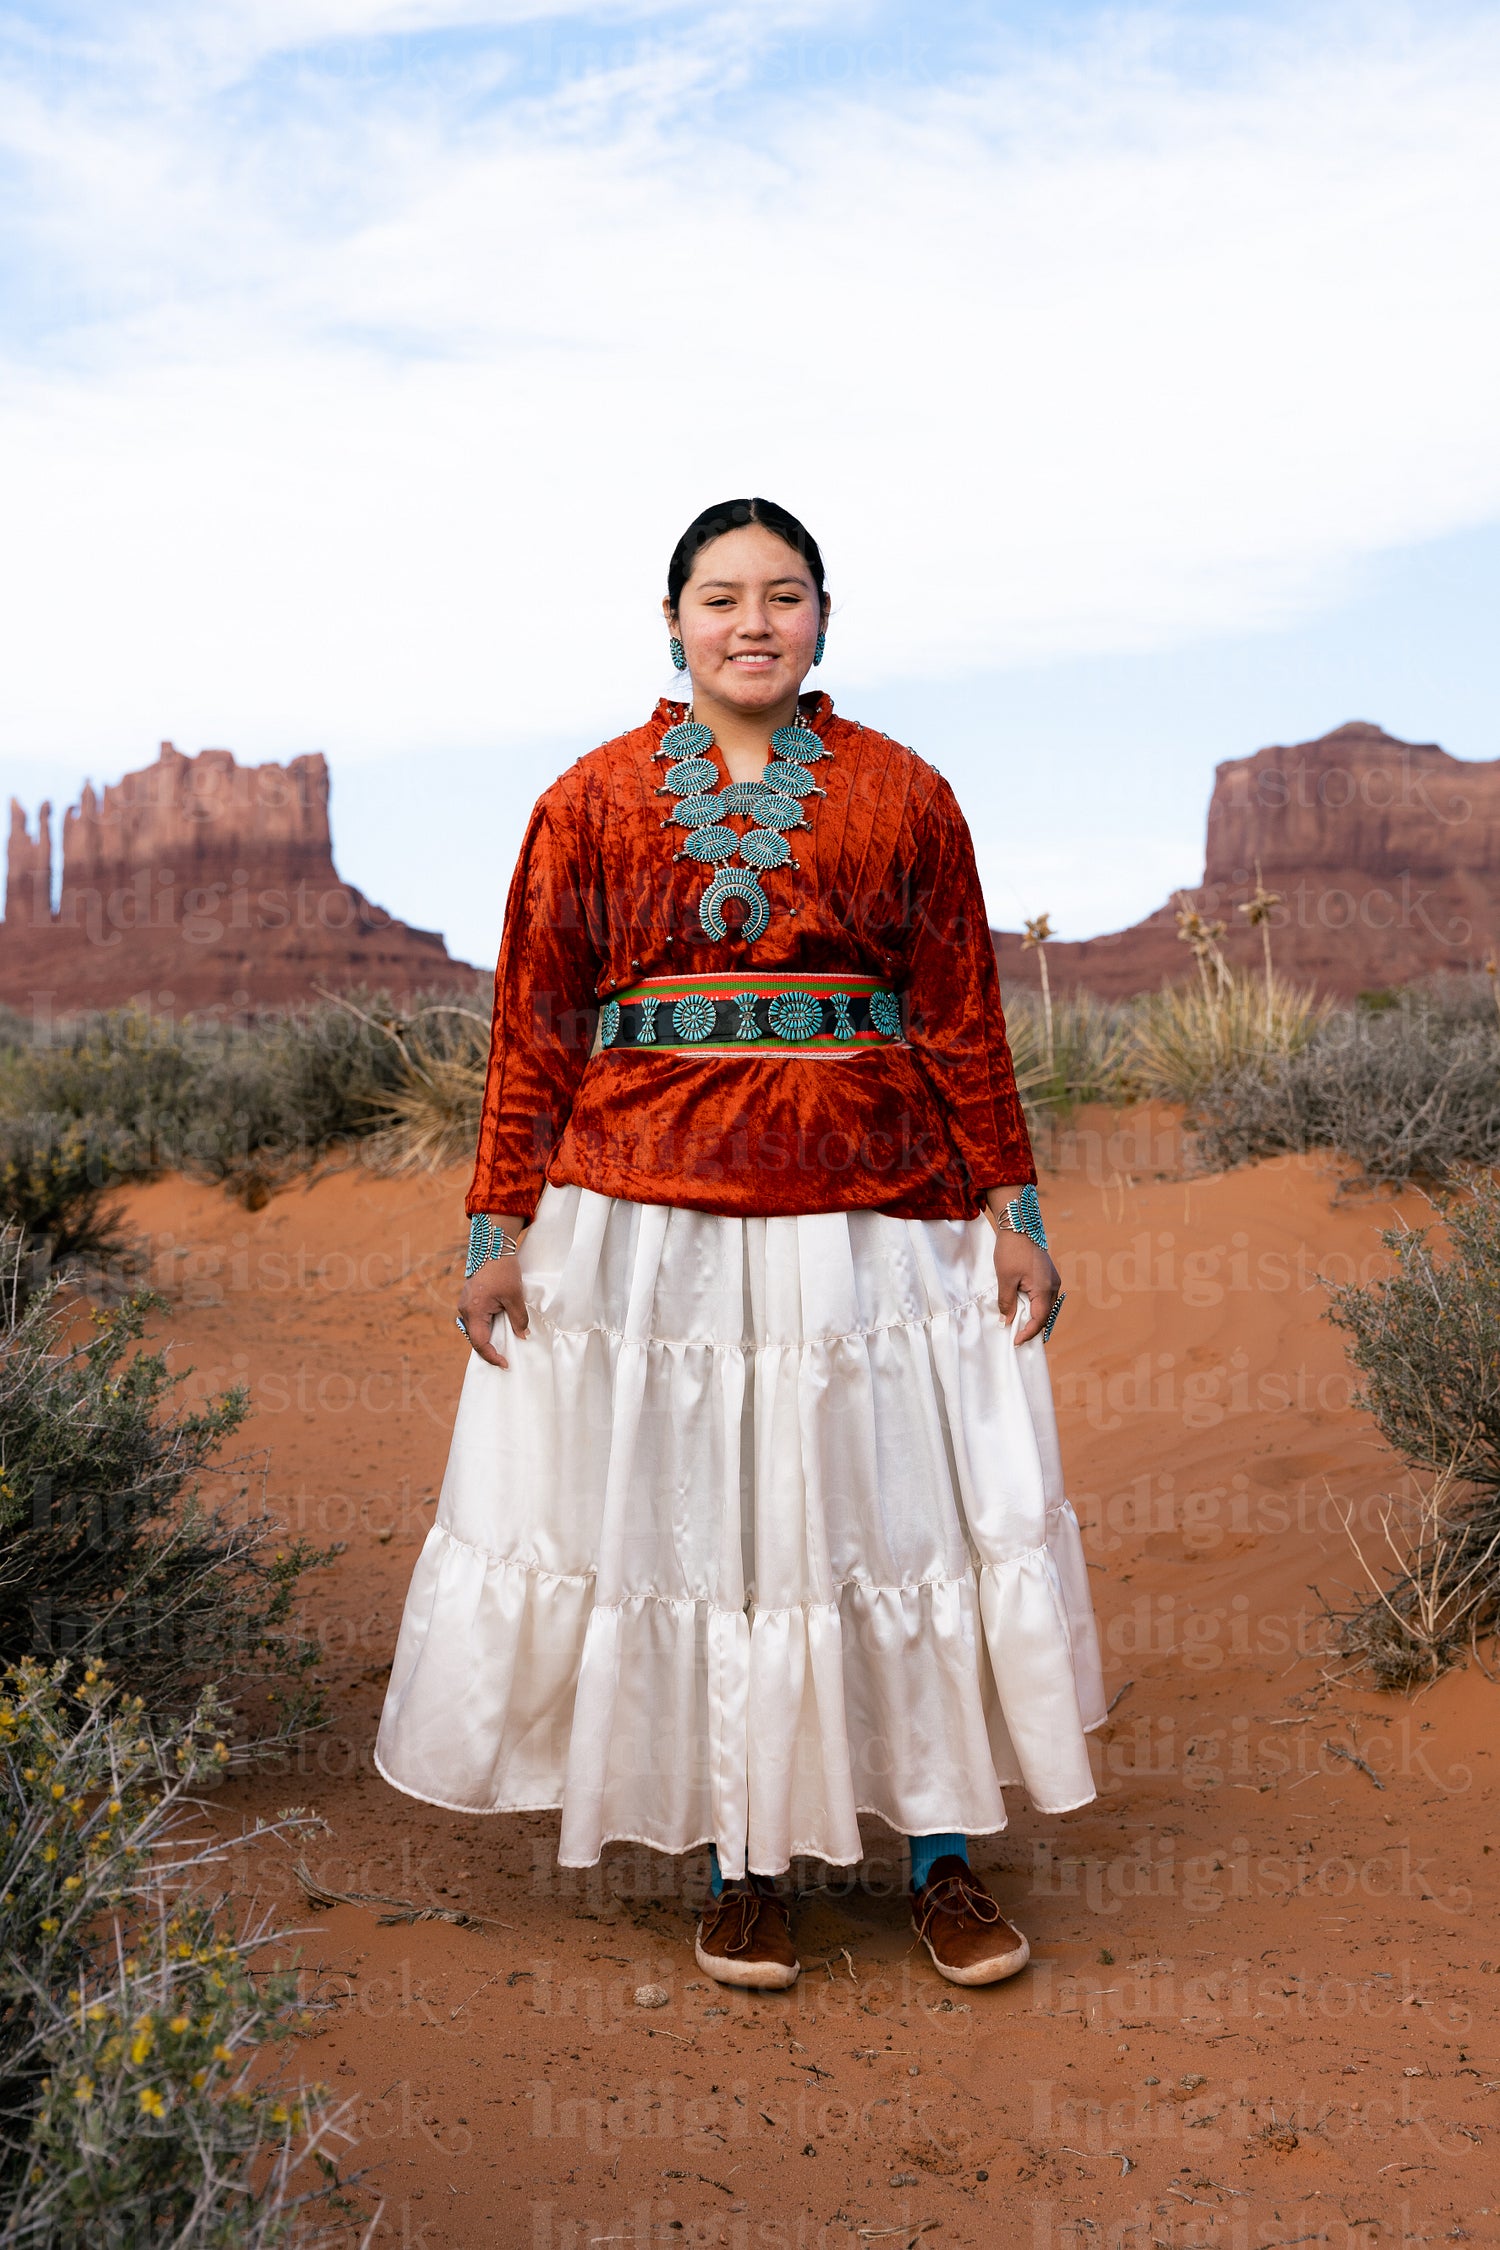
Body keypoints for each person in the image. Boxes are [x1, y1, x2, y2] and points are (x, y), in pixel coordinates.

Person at [376, 497, 1105, 1991]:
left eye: (783, 594)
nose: (752, 621)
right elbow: (531, 1026)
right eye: (721, 597)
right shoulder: (585, 802)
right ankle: (742, 1860)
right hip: (653, 1225)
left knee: (891, 1520)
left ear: (824, 616)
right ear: (672, 622)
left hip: (876, 1215)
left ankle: (945, 1855)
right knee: (710, 1531)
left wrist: (1013, 1212)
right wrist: (494, 1224)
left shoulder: (907, 792)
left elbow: (965, 1013)